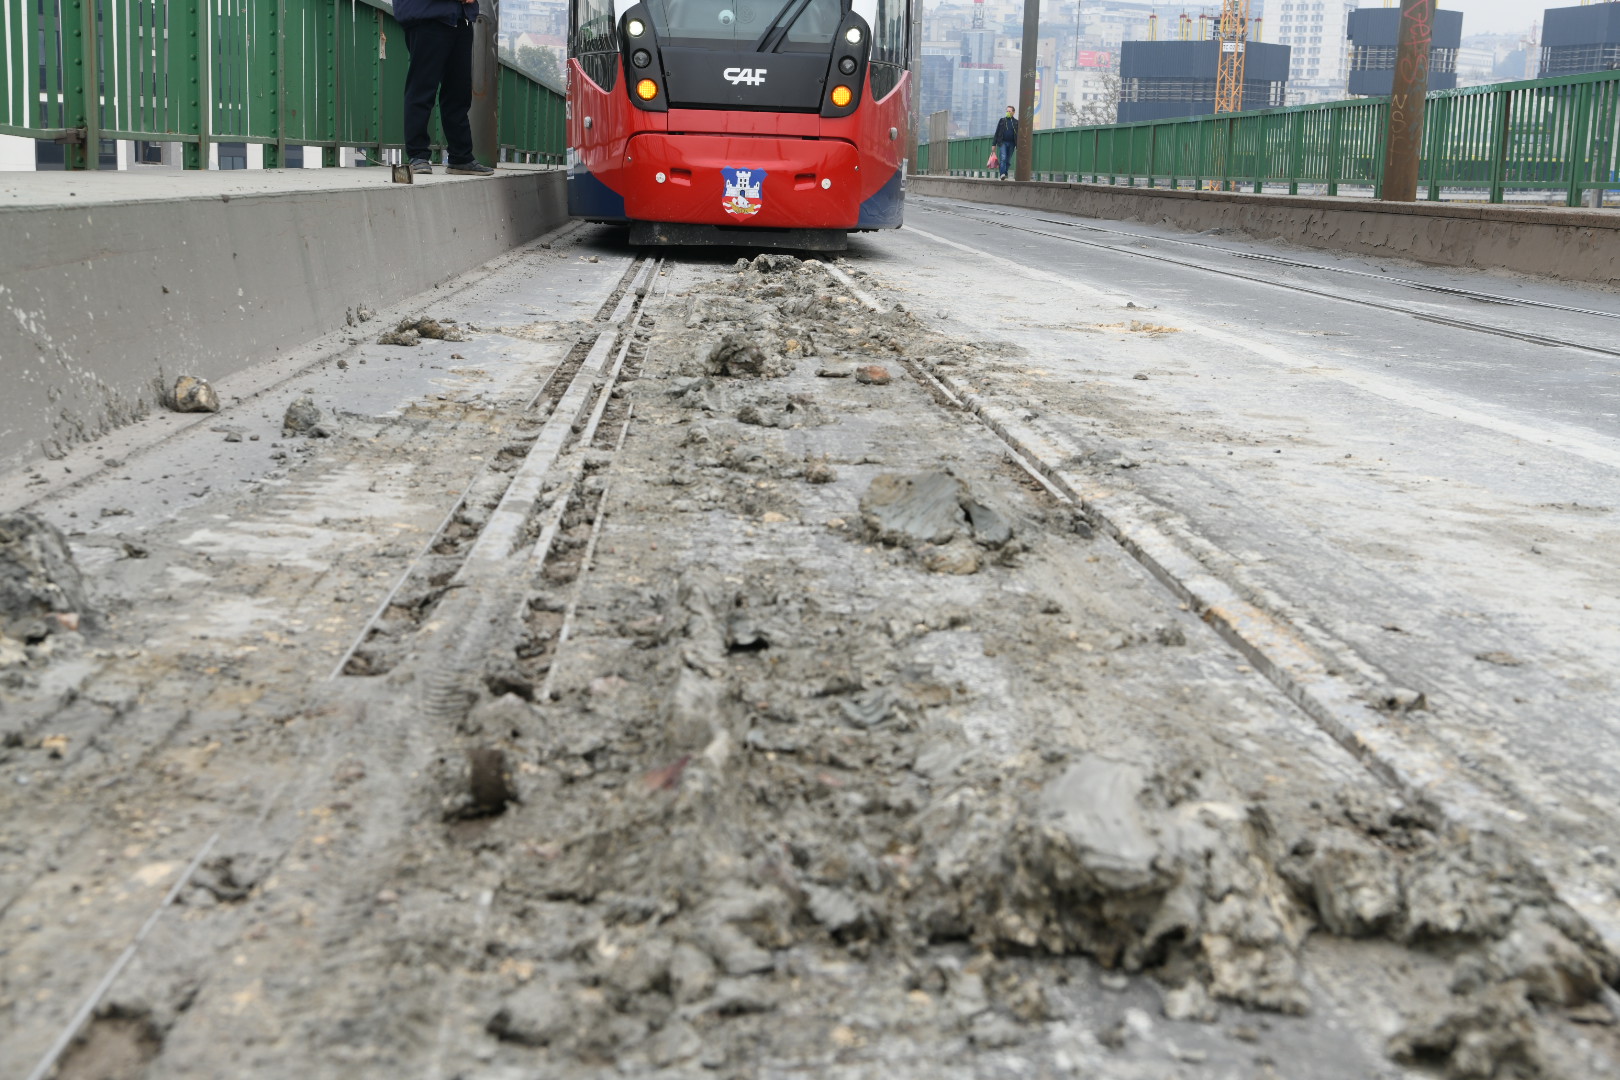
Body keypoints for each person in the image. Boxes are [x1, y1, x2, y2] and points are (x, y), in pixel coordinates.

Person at [395, 0, 496, 175]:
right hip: (427, 18)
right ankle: (417, 155)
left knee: (459, 93)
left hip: (459, 19)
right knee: (422, 89)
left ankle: (461, 157)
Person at [993, 106, 1018, 181]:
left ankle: (1005, 173)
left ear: (1013, 112)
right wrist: (994, 144)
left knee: (1008, 160)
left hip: (1012, 143)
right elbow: (997, 132)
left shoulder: (1016, 122)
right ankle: (1002, 174)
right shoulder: (1002, 121)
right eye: (1007, 111)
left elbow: (1019, 134)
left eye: (1009, 111)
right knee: (1003, 158)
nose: (1008, 112)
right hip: (1002, 142)